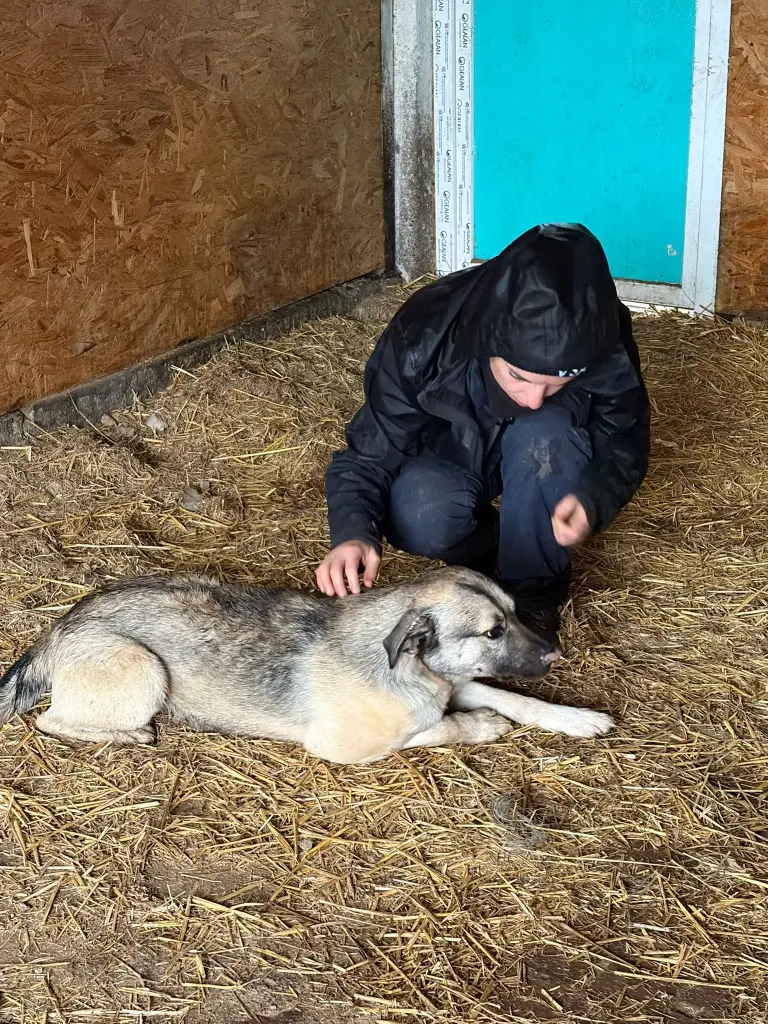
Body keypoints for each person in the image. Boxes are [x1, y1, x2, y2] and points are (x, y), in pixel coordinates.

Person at [315, 223, 650, 642]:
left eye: (556, 383)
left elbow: (624, 437)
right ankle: (491, 551)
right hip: (456, 449)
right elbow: (368, 453)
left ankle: (531, 593)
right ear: (487, 339)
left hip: (544, 450)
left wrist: (593, 498)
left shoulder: (599, 339)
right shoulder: (425, 336)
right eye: (518, 376)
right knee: (419, 514)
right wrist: (352, 534)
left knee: (544, 430)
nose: (533, 398)